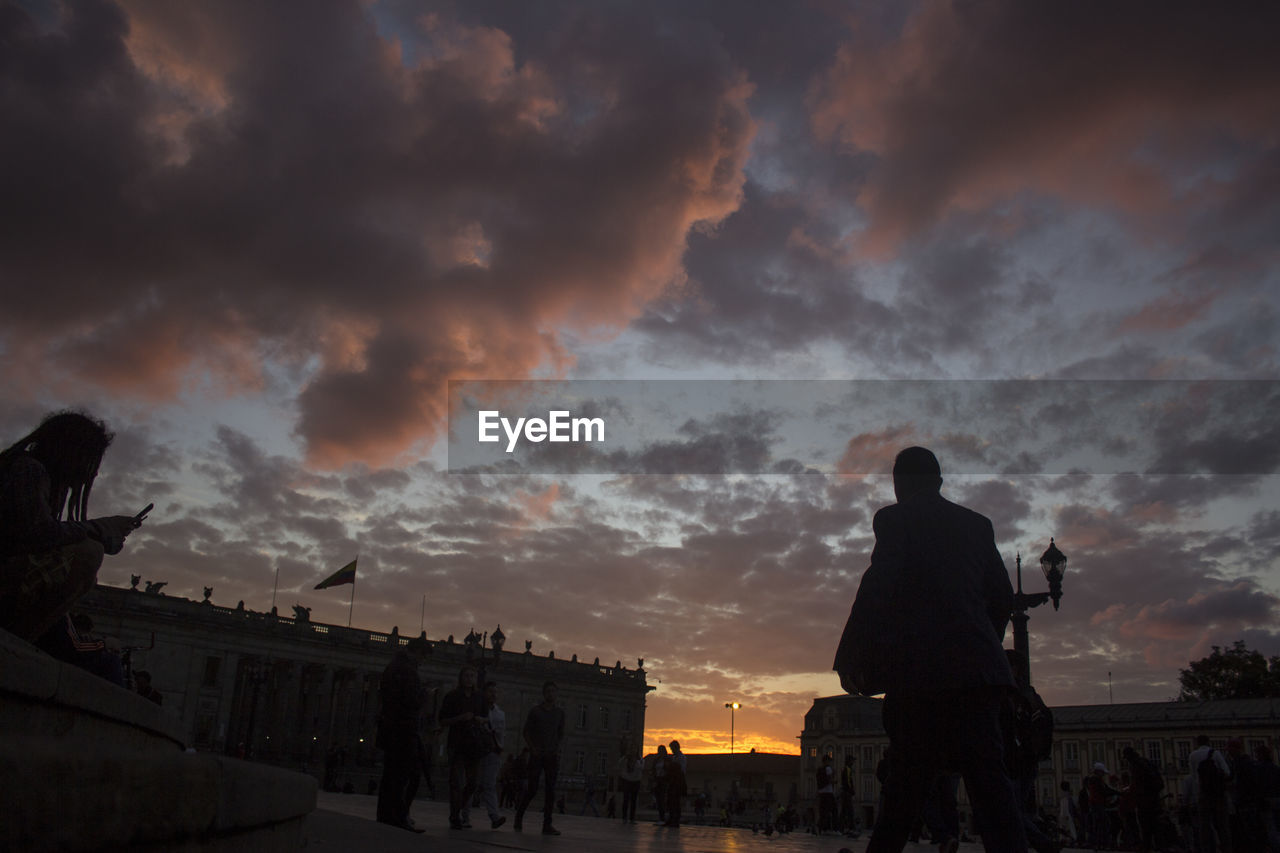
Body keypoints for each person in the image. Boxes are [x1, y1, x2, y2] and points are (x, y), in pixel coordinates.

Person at [834, 447, 1027, 853]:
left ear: (897, 484)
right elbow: (1002, 597)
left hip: (921, 676)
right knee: (992, 788)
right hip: (978, 677)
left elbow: (877, 588)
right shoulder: (977, 525)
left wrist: (851, 657)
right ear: (939, 482)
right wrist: (982, 644)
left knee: (903, 788)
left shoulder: (894, 518)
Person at [0, 411, 140, 641]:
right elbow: (36, 534)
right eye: (90, 459)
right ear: (71, 452)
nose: (92, 472)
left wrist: (100, 531)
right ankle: (15, 640)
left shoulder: (27, 470)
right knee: (86, 554)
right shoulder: (29, 469)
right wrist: (97, 528)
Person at [375, 637, 429, 832]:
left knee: (391, 774)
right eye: (423, 656)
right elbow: (411, 702)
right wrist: (424, 695)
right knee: (405, 775)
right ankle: (399, 816)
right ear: (417, 652)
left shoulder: (393, 666)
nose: (423, 661)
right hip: (403, 730)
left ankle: (385, 815)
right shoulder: (407, 670)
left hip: (390, 728)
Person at [515, 680, 565, 835]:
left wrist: (557, 750)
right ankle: (519, 816)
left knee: (551, 791)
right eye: (548, 691)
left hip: (551, 756)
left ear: (556, 695)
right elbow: (526, 732)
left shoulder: (560, 713)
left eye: (553, 691)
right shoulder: (535, 711)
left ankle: (547, 824)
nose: (551, 694)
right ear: (544, 694)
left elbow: (560, 734)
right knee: (532, 789)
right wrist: (533, 749)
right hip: (537, 755)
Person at [439, 664, 485, 830]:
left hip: (474, 744)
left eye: (472, 676)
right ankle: (455, 817)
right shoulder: (452, 696)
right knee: (456, 783)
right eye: (466, 675)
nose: (469, 678)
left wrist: (481, 720)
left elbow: (486, 717)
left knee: (473, 783)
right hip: (457, 743)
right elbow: (442, 720)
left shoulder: (480, 697)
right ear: (461, 678)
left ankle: (456, 810)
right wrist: (460, 718)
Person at [1187, 734, 1232, 853]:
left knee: (1204, 826)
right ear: (1208, 742)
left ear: (1197, 743)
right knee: (1222, 825)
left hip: (1202, 794)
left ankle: (1206, 849)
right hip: (1218, 794)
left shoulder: (1192, 755)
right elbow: (1227, 772)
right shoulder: (1215, 753)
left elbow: (1194, 777)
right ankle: (1226, 848)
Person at [477, 681, 507, 829]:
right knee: (472, 784)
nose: (493, 695)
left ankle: (494, 816)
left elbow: (497, 731)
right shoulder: (477, 709)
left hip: (493, 751)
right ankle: (464, 815)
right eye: (490, 691)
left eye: (495, 692)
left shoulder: (500, 713)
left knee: (489, 784)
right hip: (477, 750)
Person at [665, 739, 688, 827]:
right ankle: (671, 819)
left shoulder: (682, 757)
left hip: (678, 781)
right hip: (672, 781)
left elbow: (681, 770)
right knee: (670, 801)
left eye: (672, 748)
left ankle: (676, 820)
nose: (672, 750)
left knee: (676, 801)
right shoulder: (674, 757)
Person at [617, 744, 643, 823]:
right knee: (626, 800)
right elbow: (619, 763)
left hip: (635, 781)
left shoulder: (639, 759)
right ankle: (624, 817)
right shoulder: (625, 759)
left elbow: (642, 768)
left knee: (633, 801)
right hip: (627, 780)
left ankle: (632, 818)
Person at [817, 753, 837, 833]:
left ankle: (822, 828)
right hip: (828, 792)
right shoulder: (828, 768)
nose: (830, 762)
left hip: (821, 792)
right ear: (827, 761)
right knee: (833, 810)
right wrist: (834, 781)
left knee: (823, 811)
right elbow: (829, 779)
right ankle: (834, 829)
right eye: (830, 761)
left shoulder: (820, 769)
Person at [651, 743, 669, 824]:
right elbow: (653, 770)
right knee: (658, 800)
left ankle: (663, 818)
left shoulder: (667, 760)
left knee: (662, 799)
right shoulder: (656, 760)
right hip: (657, 780)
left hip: (664, 780)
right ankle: (660, 817)